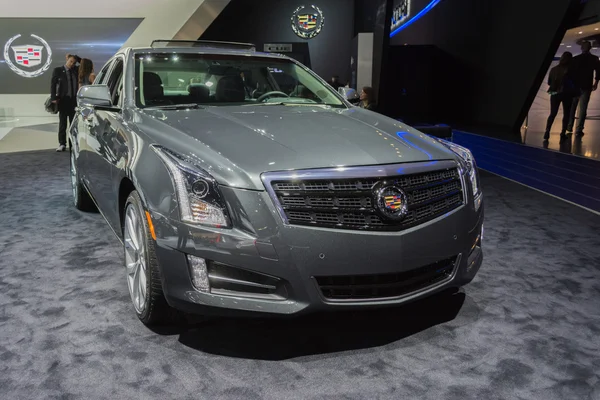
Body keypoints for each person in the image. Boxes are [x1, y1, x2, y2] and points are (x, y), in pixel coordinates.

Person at [567, 41, 600, 137]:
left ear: (581, 48)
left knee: (572, 107)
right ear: (590, 48)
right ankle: (579, 129)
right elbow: (598, 72)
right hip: (586, 86)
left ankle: (569, 127)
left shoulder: (576, 59)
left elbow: (570, 74)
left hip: (575, 86)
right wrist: (596, 83)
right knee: (583, 108)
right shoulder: (594, 58)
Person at [545, 52, 578, 141]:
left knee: (552, 113)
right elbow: (574, 83)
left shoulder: (553, 69)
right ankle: (563, 133)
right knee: (566, 114)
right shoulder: (571, 70)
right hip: (566, 93)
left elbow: (549, 82)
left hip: (554, 93)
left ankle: (547, 131)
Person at [51, 54, 79, 152]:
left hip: (73, 101)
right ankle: (62, 143)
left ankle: (73, 144)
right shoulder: (58, 70)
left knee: (73, 124)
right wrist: (53, 97)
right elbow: (53, 84)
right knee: (63, 123)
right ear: (67, 59)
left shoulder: (75, 70)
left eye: (74, 62)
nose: (72, 64)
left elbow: (83, 61)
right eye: (71, 61)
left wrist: (75, 57)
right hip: (63, 100)